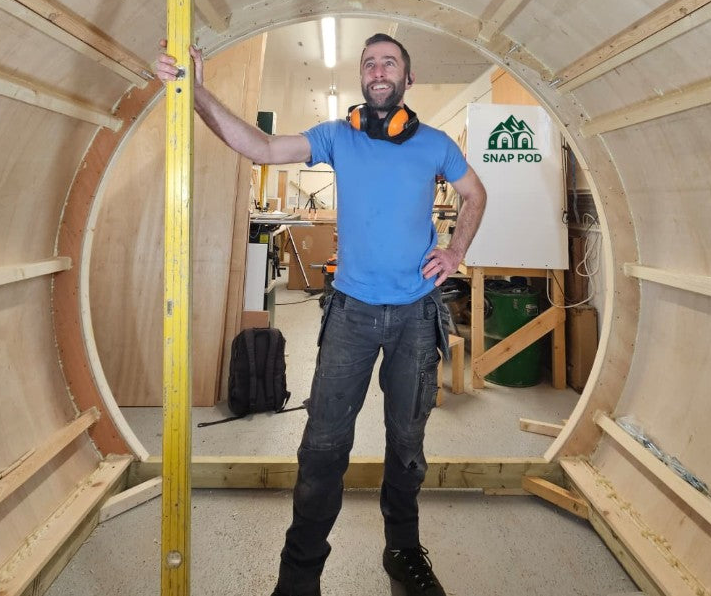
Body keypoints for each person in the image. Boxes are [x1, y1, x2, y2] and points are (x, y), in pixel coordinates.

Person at [157, 32, 486, 596]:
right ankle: (299, 575)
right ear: (362, 78)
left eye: (390, 63)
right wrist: (196, 94)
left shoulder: (435, 144)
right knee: (323, 447)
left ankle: (402, 552)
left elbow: (475, 194)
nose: (378, 70)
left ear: (408, 79)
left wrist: (456, 250)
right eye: (369, 63)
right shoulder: (337, 136)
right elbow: (260, 148)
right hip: (351, 316)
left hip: (414, 316)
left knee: (407, 446)